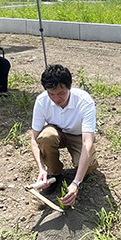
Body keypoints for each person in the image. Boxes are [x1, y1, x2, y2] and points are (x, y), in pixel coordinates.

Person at [30, 64, 97, 207]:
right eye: (51, 94)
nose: (56, 98)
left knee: (87, 168)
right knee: (45, 138)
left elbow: (87, 143)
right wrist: (41, 169)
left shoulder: (84, 101)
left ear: (70, 86)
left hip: (79, 135)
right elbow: (34, 139)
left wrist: (76, 182)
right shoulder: (42, 101)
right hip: (56, 131)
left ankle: (79, 174)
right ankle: (54, 173)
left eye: (61, 93)